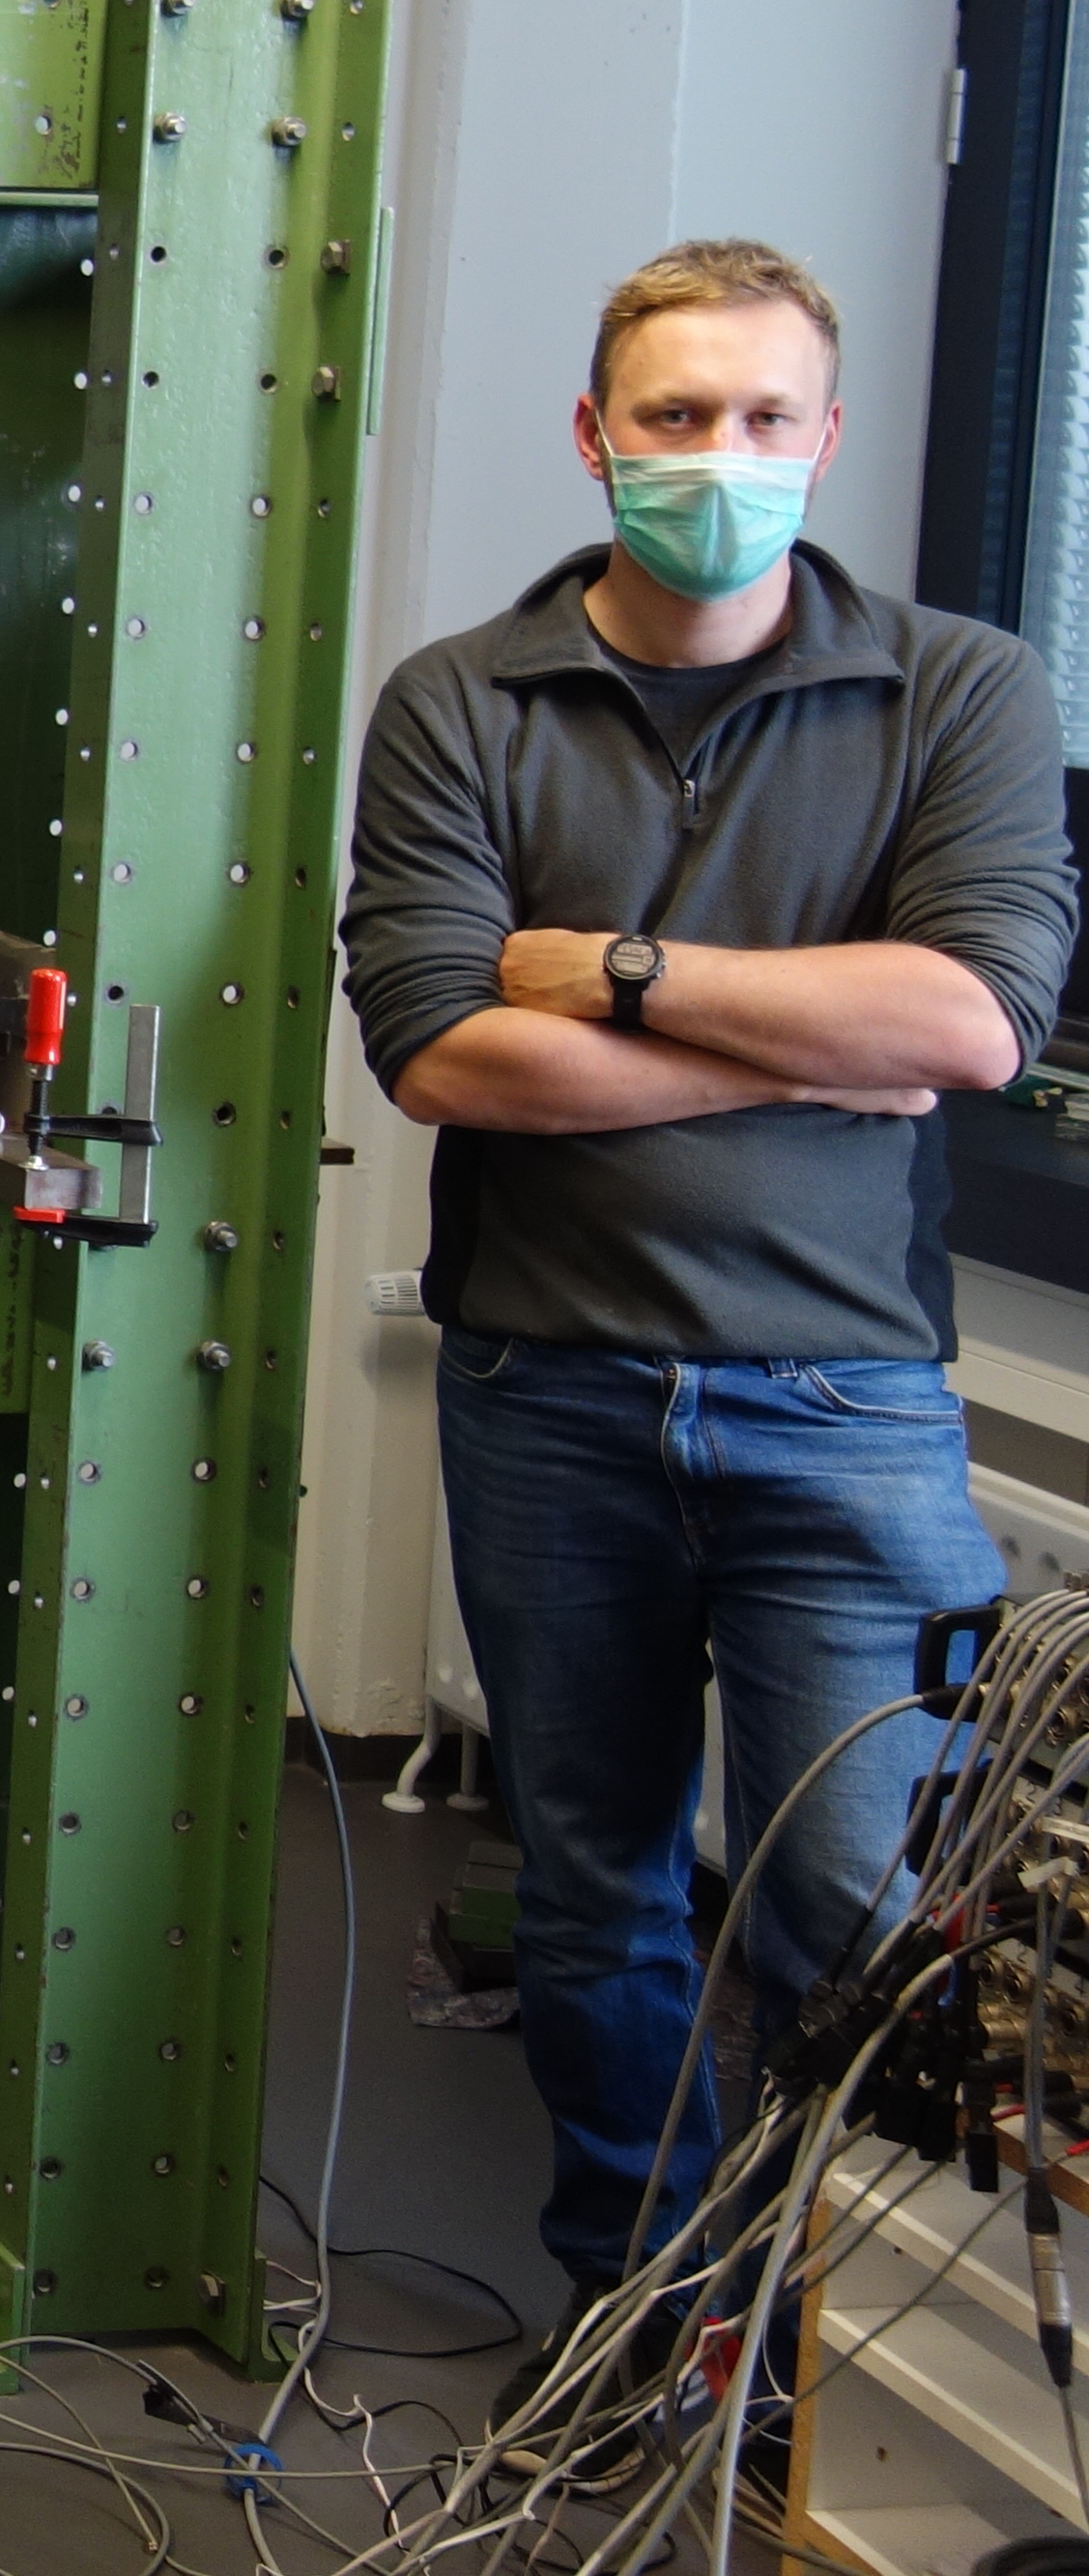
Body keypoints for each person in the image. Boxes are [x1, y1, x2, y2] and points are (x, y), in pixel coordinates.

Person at [344, 239, 1075, 2330]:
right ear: (595, 437)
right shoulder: (460, 702)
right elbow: (444, 1053)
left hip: (843, 1399)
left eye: (763, 418)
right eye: (674, 417)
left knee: (854, 1902)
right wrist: (802, 1041)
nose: (717, 456)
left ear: (823, 441)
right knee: (595, 1900)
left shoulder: (954, 689)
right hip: (548, 1389)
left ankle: (808, 2354)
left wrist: (619, 970)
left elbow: (965, 1025)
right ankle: (641, 2323)